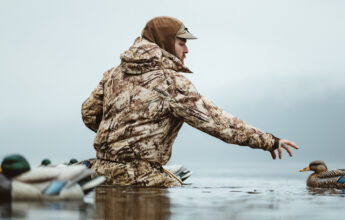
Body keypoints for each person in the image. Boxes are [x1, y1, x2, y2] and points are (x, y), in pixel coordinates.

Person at [81, 16, 299, 187]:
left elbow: (89, 113)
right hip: (141, 180)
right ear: (165, 42)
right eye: (182, 43)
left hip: (101, 173)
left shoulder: (113, 74)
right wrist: (268, 141)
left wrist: (121, 137)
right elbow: (217, 122)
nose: (187, 50)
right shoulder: (171, 83)